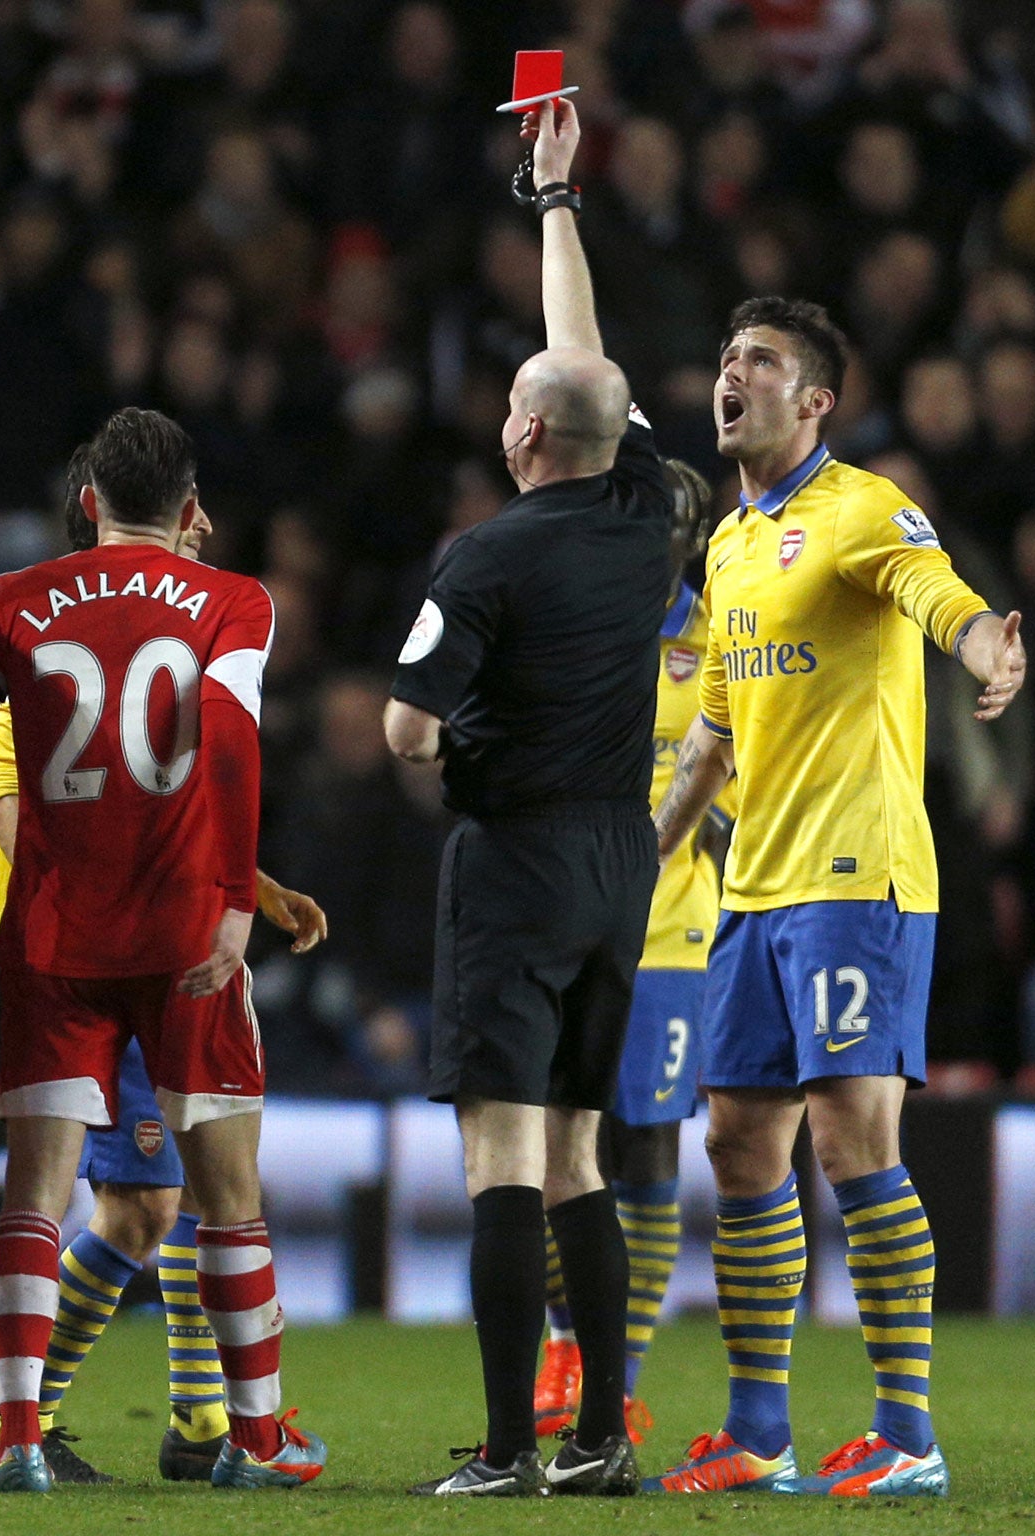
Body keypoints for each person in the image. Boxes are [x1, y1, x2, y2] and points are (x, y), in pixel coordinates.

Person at [645, 296, 1025, 1498]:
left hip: (856, 877)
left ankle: (906, 1433)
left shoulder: (859, 507)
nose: (730, 372)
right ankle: (758, 1430)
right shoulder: (725, 545)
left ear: (811, 400)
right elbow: (713, 725)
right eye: (723, 354)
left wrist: (985, 650)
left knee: (849, 1135)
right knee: (735, 1139)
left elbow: (932, 589)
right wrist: (646, 856)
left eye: (756, 358)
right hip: (749, 887)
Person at [0, 407, 328, 1493]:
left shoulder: (7, 603)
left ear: (89, 501)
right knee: (225, 1197)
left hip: (56, 936)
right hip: (183, 933)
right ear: (190, 511)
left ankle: (15, 1440)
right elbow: (233, 743)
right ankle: (252, 1440)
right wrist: (234, 903)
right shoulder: (232, 600)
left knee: (32, 1198)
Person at [385, 98, 670, 1499]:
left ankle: (507, 1450)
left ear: (522, 437)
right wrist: (553, 200)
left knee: (504, 1155)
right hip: (627, 859)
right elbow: (589, 361)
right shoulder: (644, 513)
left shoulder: (481, 560)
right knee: (577, 1160)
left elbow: (400, 726)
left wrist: (456, 756)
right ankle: (604, 1439)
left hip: (516, 857)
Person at [533, 460, 730, 1448]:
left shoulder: (720, 637)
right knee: (545, 1144)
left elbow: (740, 777)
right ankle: (561, 1351)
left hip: (669, 932)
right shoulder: (572, 622)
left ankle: (620, 1375)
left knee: (644, 1150)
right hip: (561, 920)